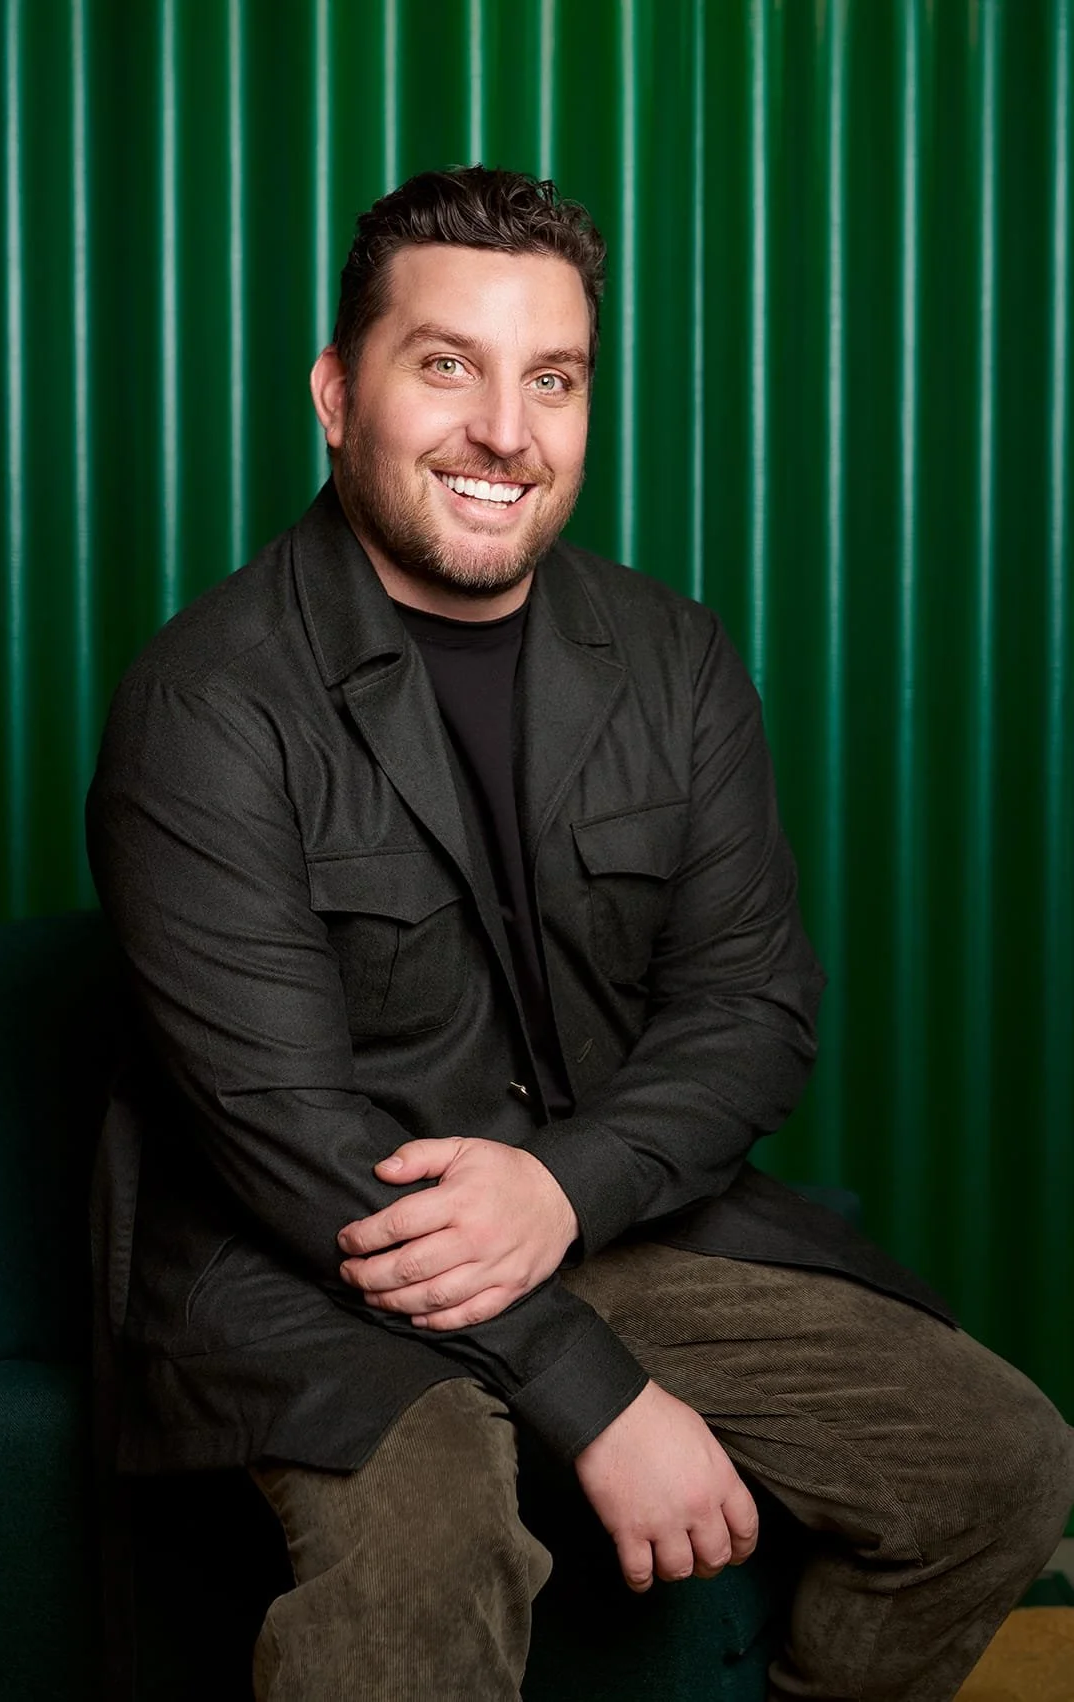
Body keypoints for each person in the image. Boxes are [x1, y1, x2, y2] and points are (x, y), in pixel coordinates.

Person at [87, 166, 1074, 1702]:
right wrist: (598, 1398)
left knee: (1002, 1460)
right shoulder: (206, 700)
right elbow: (288, 1136)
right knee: (430, 1572)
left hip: (596, 1217)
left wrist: (562, 1184)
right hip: (307, 1266)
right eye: (445, 366)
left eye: (550, 379)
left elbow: (752, 1005)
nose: (505, 430)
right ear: (336, 394)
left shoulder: (670, 656)